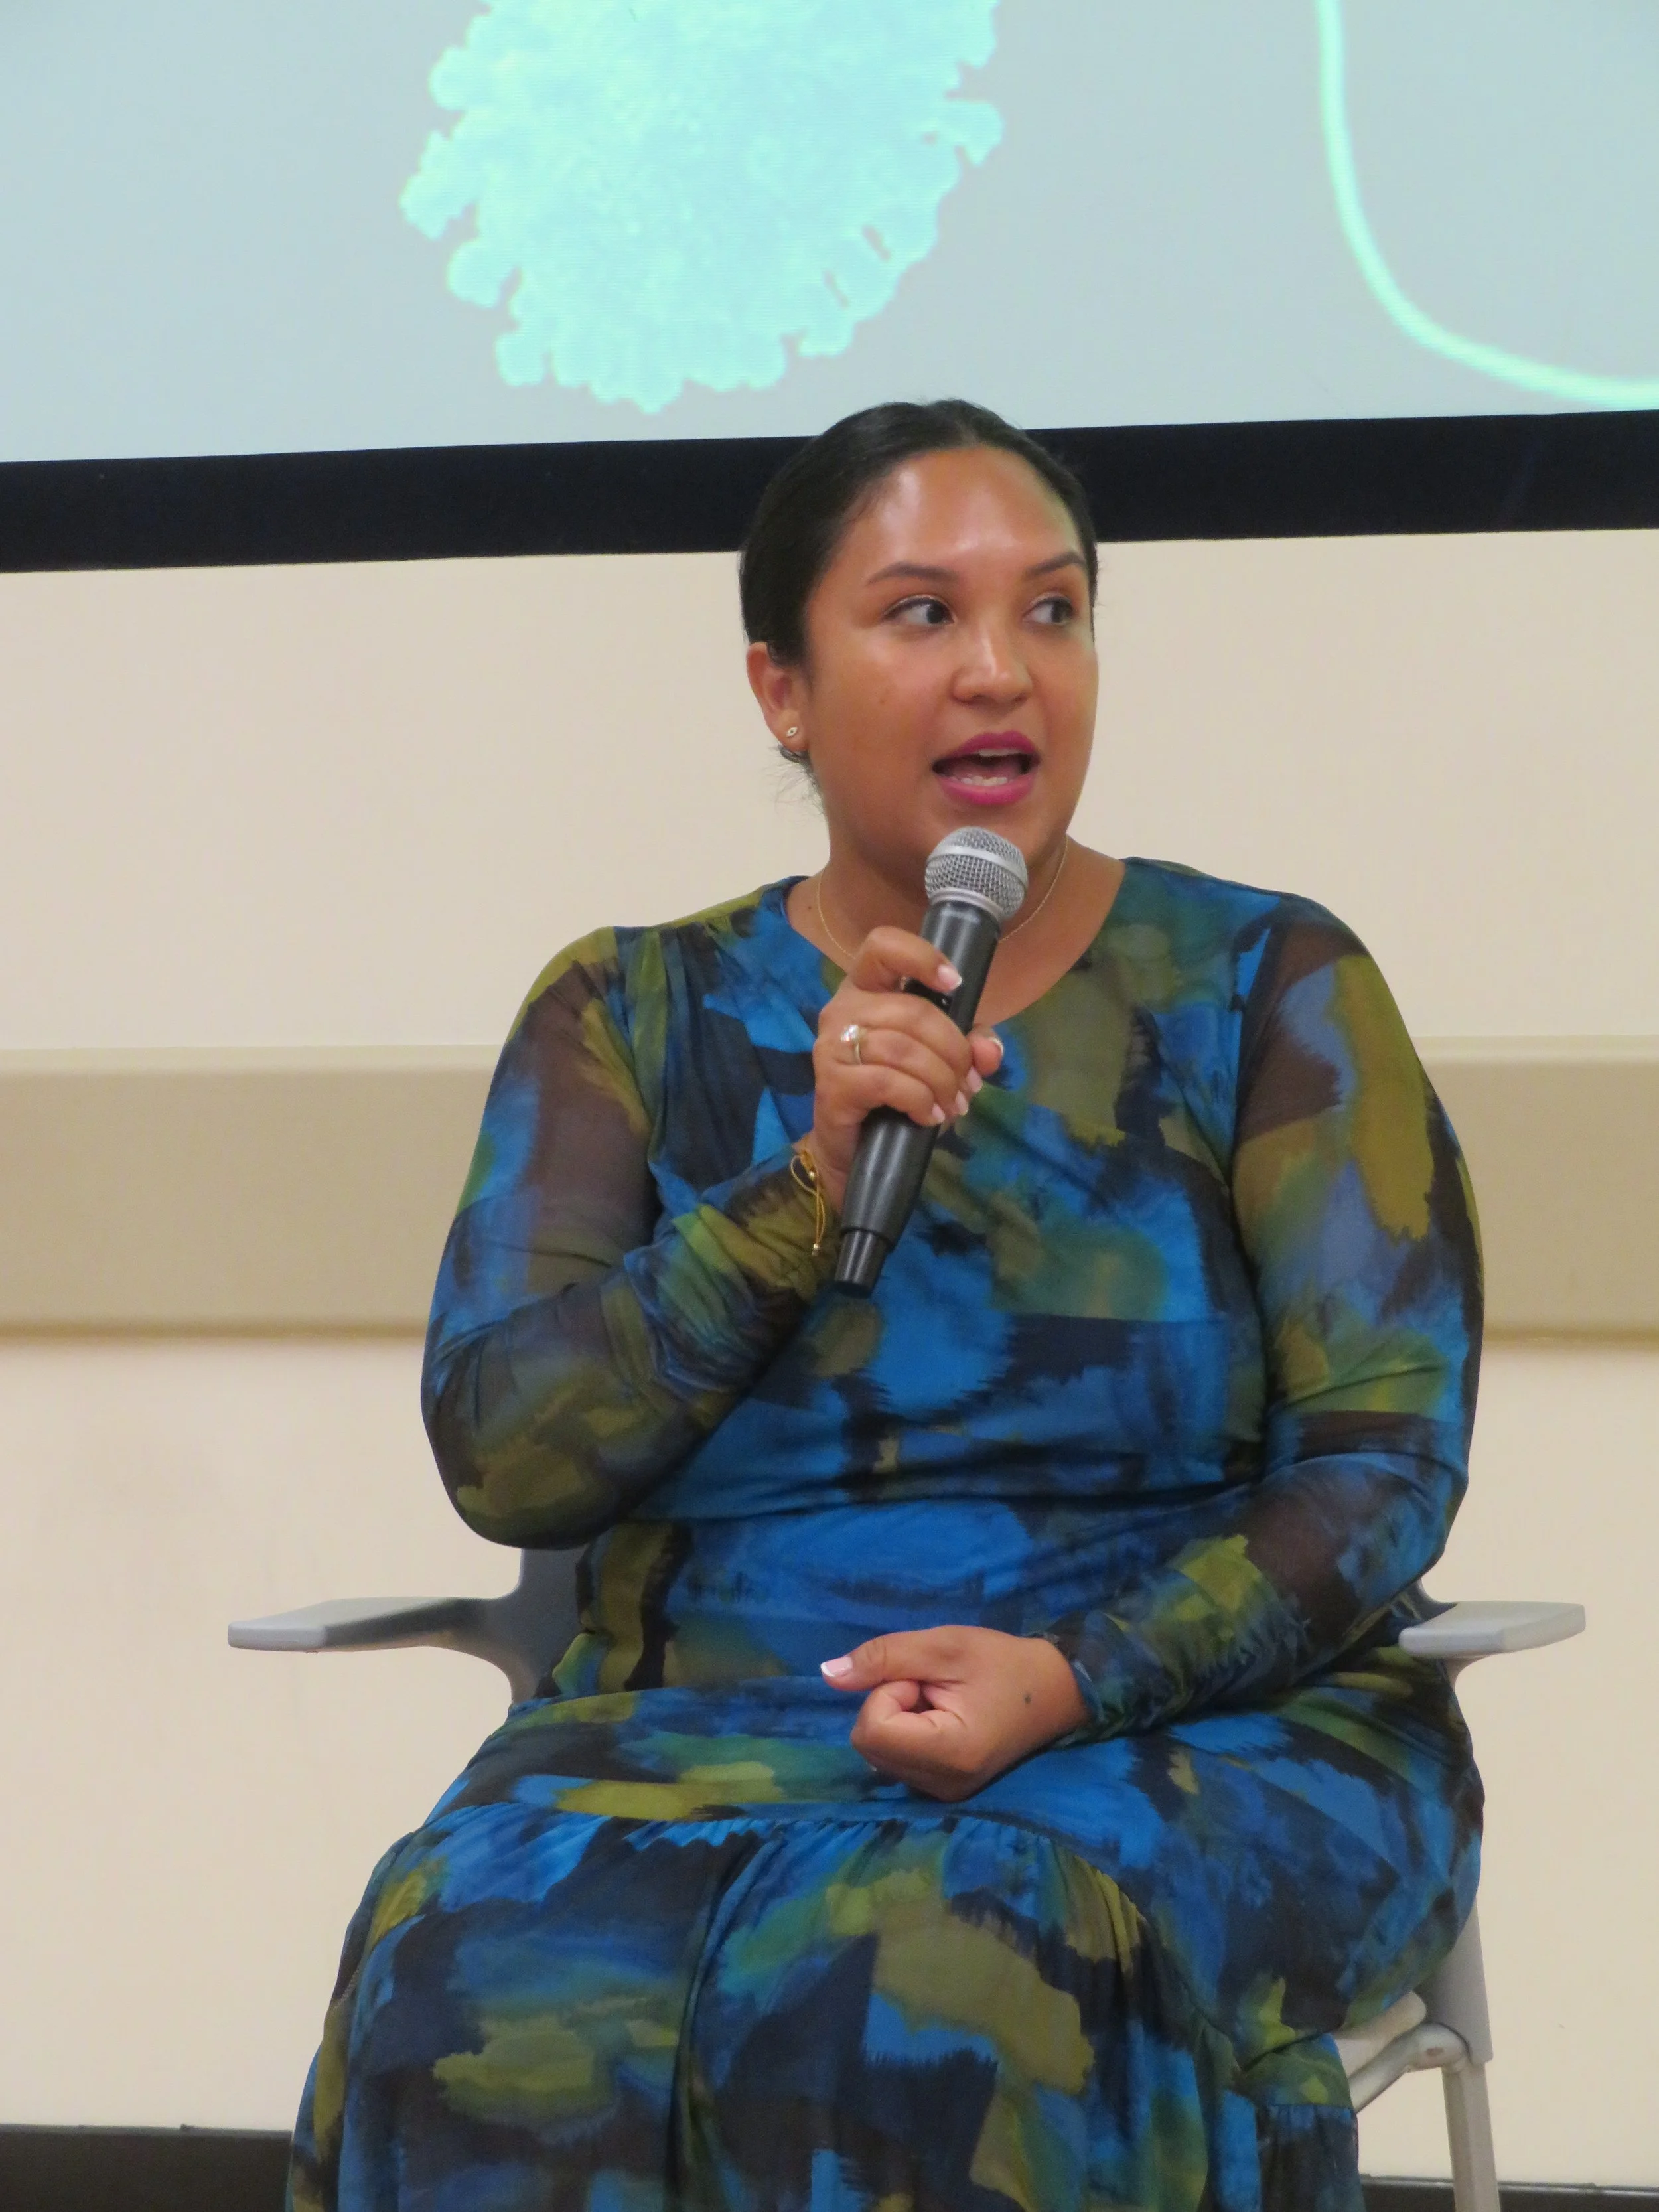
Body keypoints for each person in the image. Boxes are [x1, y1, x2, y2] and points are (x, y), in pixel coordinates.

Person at [289, 400, 1482, 2212]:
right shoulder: (630, 1011)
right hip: (696, 1719)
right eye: (922, 613)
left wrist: (1074, 1679)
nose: (1002, 671)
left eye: (1054, 612)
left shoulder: (1266, 985)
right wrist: (795, 1196)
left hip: (1196, 1723)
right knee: (466, 1963)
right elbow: (510, 1455)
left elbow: (1383, 1466)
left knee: (934, 1959)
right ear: (780, 687)